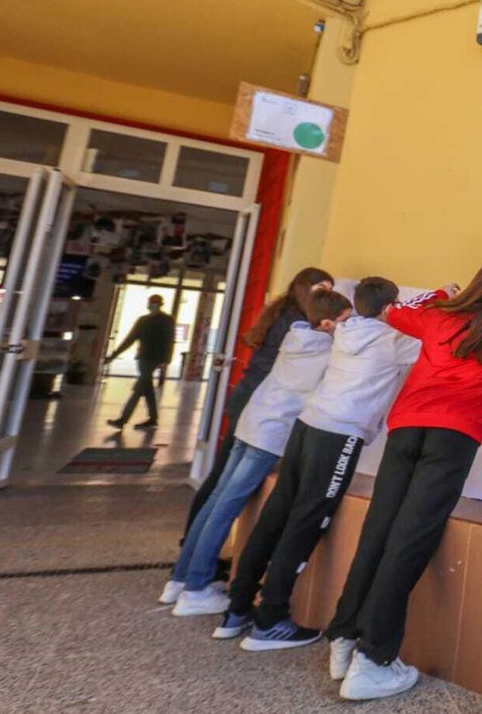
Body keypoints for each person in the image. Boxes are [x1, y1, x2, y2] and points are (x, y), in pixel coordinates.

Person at [327, 261, 482, 701]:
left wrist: (441, 293)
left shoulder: (437, 316)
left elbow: (396, 310)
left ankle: (344, 636)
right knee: (408, 543)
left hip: (406, 430)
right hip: (453, 440)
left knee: (378, 529)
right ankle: (373, 659)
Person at [213, 277, 434, 650]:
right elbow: (433, 338)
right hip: (339, 435)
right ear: (389, 307)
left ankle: (237, 609)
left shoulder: (345, 329)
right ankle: (269, 620)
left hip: (307, 425)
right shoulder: (390, 341)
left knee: (276, 514)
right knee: (306, 522)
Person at [163, 288, 352, 616]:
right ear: (325, 323)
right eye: (345, 321)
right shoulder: (325, 351)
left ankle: (180, 579)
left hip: (251, 422)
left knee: (215, 502)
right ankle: (195, 588)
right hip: (269, 434)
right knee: (225, 509)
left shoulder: (297, 336)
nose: (349, 328)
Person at [183, 267, 334, 542]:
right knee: (223, 485)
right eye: (321, 289)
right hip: (258, 401)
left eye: (329, 290)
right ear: (303, 288)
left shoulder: (284, 311)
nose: (326, 296)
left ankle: (194, 548)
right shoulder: (296, 321)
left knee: (222, 480)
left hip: (250, 396)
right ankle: (196, 548)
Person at [104, 294, 176, 430]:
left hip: (153, 359)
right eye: (151, 302)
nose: (153, 305)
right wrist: (114, 355)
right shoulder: (143, 320)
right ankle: (153, 419)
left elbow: (169, 340)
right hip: (143, 359)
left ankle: (122, 420)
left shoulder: (166, 320)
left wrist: (166, 360)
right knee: (147, 389)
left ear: (159, 304)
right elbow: (130, 339)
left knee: (138, 389)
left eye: (155, 303)